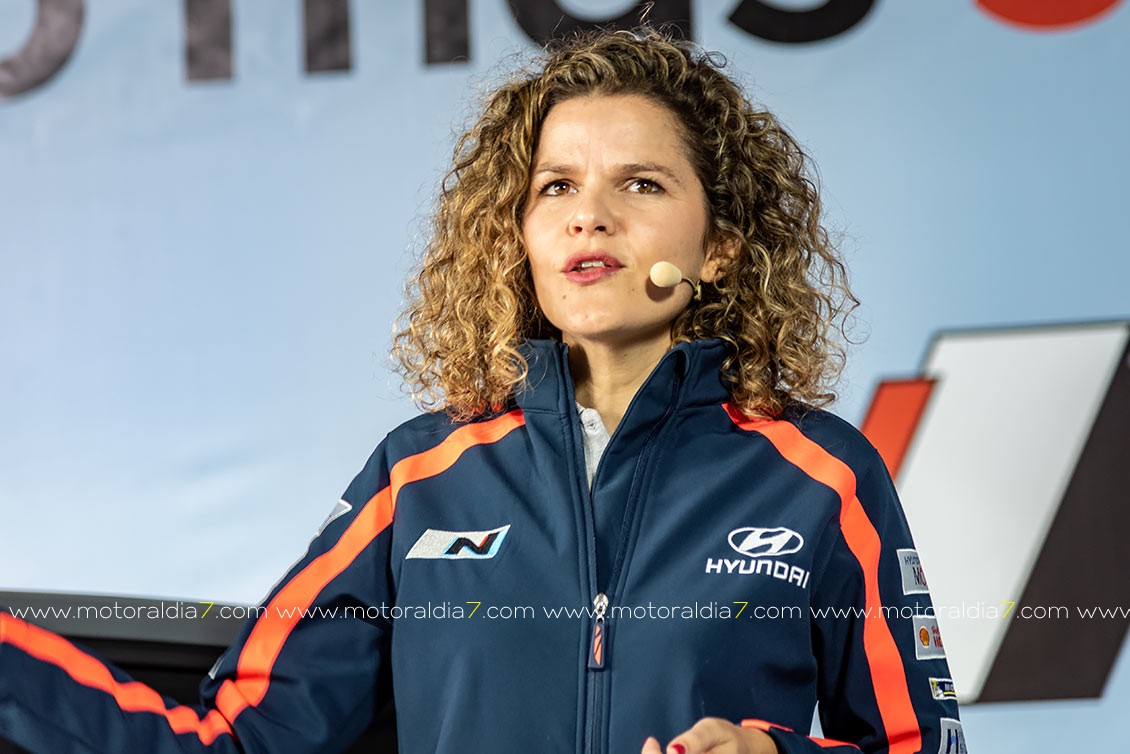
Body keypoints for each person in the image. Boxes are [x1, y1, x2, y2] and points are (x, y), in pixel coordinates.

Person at [0, 28, 964, 754]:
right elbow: (235, 743)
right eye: (556, 187)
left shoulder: (822, 478)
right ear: (521, 241)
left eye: (641, 185)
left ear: (719, 250)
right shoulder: (417, 478)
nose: (590, 215)